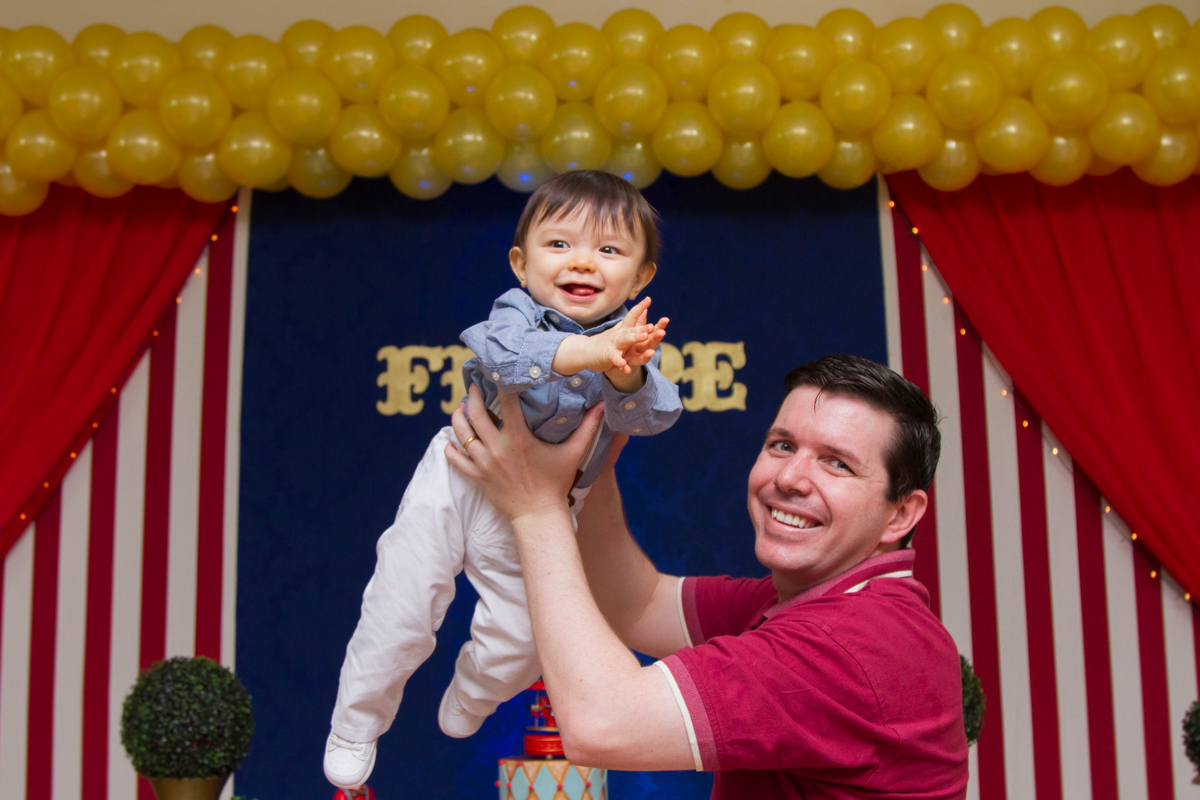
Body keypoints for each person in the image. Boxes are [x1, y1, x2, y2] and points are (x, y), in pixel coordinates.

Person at [446, 354, 969, 799]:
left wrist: (537, 510)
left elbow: (602, 723)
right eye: (783, 445)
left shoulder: (851, 643)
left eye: (837, 464)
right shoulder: (812, 602)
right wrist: (593, 463)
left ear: (901, 514)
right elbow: (638, 604)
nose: (789, 478)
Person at [323, 171, 683, 790]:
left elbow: (651, 415)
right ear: (521, 263)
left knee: (529, 638)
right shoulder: (513, 315)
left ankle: (474, 692)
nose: (584, 263)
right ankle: (355, 724)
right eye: (560, 244)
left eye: (609, 250)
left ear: (642, 277)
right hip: (459, 476)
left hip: (543, 511)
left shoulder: (629, 346)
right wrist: (594, 357)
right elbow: (503, 358)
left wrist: (624, 372)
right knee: (399, 608)